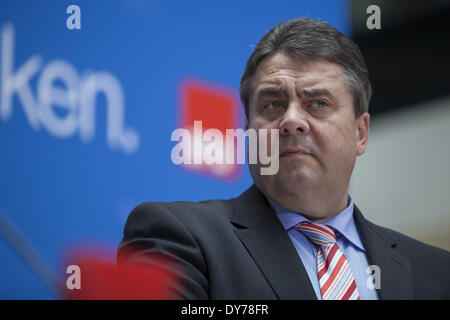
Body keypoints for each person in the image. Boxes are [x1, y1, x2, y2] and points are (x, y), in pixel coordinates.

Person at [117, 17, 450, 300]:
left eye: (318, 103)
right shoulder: (176, 237)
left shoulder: (437, 273)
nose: (292, 120)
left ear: (361, 133)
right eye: (273, 104)